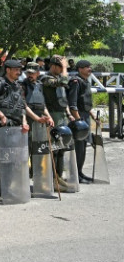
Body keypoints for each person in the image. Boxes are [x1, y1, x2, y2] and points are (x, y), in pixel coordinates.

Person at [0, 59, 29, 200]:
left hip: (14, 127)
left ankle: (7, 189)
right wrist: (0, 114)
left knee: (12, 159)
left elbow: (22, 106)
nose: (18, 72)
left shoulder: (17, 86)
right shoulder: (0, 84)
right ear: (8, 70)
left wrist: (24, 122)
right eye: (16, 69)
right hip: (1, 127)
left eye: (19, 69)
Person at [40, 55, 74, 191]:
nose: (63, 70)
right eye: (60, 67)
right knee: (53, 149)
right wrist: (65, 68)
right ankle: (51, 179)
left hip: (61, 116)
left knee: (61, 148)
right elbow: (63, 82)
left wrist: (69, 114)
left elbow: (63, 97)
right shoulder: (46, 78)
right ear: (53, 66)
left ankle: (58, 177)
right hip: (52, 115)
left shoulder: (58, 79)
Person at [68, 60, 96, 183]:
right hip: (79, 118)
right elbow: (73, 104)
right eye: (86, 67)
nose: (89, 69)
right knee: (78, 148)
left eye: (90, 67)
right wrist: (78, 121)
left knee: (83, 147)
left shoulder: (85, 81)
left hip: (85, 116)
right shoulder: (76, 82)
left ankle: (80, 172)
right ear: (80, 69)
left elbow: (85, 102)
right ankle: (76, 174)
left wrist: (93, 115)